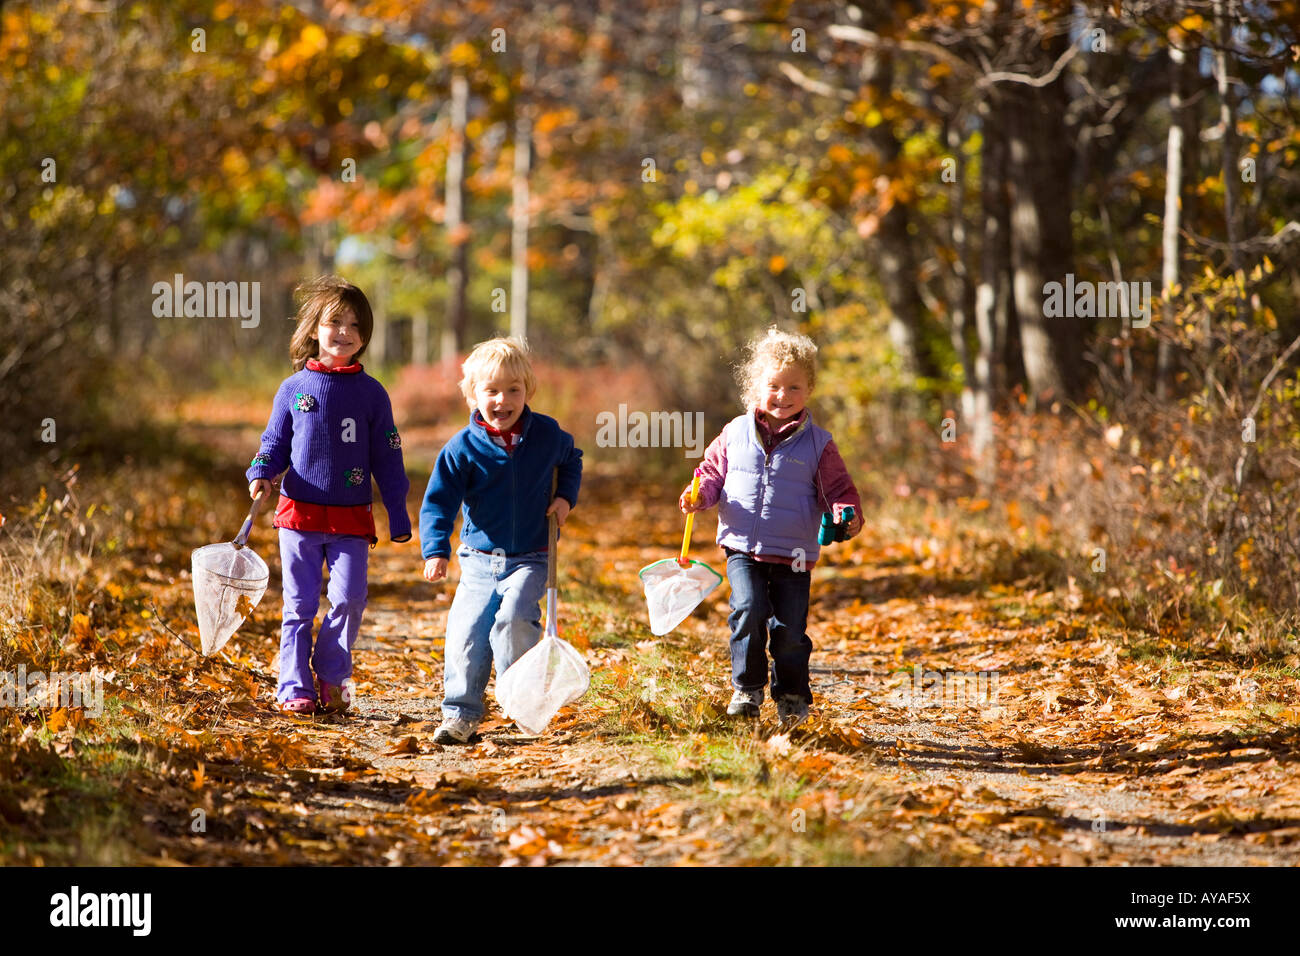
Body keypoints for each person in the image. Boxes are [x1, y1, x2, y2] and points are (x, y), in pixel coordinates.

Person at [246, 276, 411, 716]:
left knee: (350, 599)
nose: (344, 332)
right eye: (335, 321)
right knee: (298, 605)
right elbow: (274, 442)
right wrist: (261, 472)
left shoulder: (372, 393)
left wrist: (397, 511)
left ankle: (333, 673)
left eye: (355, 325)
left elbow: (389, 454)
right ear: (314, 329)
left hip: (351, 519)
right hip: (298, 514)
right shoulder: (293, 389)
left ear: (365, 337)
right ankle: (293, 685)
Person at [681, 327, 862, 726]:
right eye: (774, 385)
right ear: (755, 386)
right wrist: (699, 495)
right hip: (742, 546)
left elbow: (838, 489)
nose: (783, 396)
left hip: (794, 553)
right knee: (747, 609)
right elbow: (710, 473)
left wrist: (846, 515)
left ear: (809, 389)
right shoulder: (734, 433)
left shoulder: (818, 443)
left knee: (790, 629)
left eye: (794, 387)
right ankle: (747, 688)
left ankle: (792, 694)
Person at [420, 337, 582, 744]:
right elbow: (438, 501)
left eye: (514, 389)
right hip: (478, 559)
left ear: (528, 390)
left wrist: (564, 499)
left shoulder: (546, 434)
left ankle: (522, 701)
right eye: (491, 390)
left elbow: (571, 460)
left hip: (532, 554)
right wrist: (436, 549)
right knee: (467, 632)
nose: (502, 400)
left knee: (512, 622)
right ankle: (460, 712)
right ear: (473, 395)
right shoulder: (462, 448)